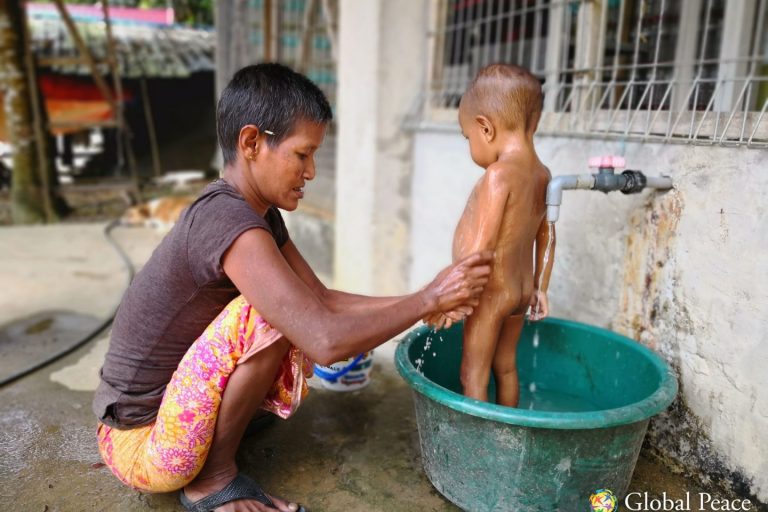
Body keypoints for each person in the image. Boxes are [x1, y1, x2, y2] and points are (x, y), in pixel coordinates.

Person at [92, 62, 492, 512]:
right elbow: (323, 339)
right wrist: (429, 299)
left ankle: (217, 448)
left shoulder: (258, 214)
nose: (312, 171)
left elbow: (322, 299)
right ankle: (211, 480)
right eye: (303, 155)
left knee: (293, 306)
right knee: (267, 314)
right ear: (251, 143)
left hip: (170, 419)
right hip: (139, 445)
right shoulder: (225, 219)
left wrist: (428, 299)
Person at [424, 64, 556, 408]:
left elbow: (481, 246)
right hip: (521, 290)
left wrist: (456, 295)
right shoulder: (543, 175)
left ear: (485, 127)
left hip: (491, 292)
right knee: (506, 367)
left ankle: (480, 448)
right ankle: (509, 432)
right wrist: (541, 287)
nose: (471, 144)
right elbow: (547, 237)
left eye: (468, 137)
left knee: (473, 373)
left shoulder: (499, 176)